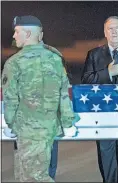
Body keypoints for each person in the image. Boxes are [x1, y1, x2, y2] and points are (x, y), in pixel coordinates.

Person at [2, 15, 77, 182]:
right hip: (49, 127)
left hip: (28, 129)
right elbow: (64, 94)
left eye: (16, 32)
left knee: (33, 177)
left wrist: (10, 123)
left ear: (27, 34)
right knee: (27, 174)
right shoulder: (56, 59)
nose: (14, 36)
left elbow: (11, 98)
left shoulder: (14, 63)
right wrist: (67, 123)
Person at [81, 16, 118, 183]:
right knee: (107, 161)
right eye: (110, 29)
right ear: (105, 32)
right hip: (104, 117)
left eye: (117, 28)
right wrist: (108, 73)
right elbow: (85, 82)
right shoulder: (94, 55)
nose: (114, 32)